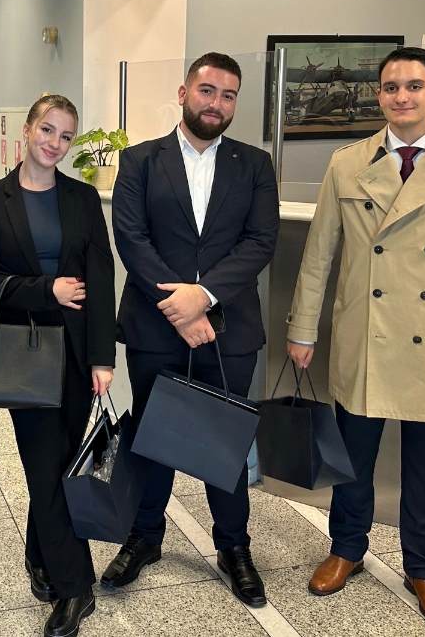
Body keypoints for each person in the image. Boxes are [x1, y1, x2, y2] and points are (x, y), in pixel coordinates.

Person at [286, 47, 425, 631]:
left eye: (413, 86)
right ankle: (346, 549)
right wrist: (303, 328)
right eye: (390, 87)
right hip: (367, 332)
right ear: (379, 96)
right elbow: (319, 254)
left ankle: (424, 568)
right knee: (353, 457)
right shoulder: (348, 163)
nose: (401, 96)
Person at [108, 52, 279, 606]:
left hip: (230, 331)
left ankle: (233, 547)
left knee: (223, 441)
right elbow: (131, 238)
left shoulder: (255, 164)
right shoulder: (139, 160)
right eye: (207, 91)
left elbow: (260, 241)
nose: (216, 103)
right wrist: (178, 306)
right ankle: (144, 536)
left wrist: (201, 298)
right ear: (184, 93)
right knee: (153, 435)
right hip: (156, 327)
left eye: (228, 95)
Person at [0, 94, 115, 637]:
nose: (55, 143)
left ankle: (39, 553)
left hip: (76, 353)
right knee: (43, 469)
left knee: (60, 465)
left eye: (66, 136)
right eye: (47, 130)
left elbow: (101, 276)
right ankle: (76, 586)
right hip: (24, 352)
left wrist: (103, 356)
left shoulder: (81, 198)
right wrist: (44, 290)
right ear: (27, 130)